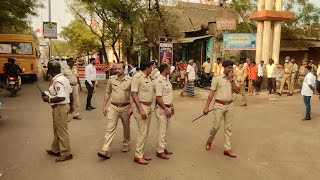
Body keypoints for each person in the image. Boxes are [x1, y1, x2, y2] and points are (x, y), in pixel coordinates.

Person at [203, 60, 240, 158]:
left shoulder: (233, 79)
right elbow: (211, 93)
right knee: (216, 126)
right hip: (219, 105)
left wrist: (231, 80)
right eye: (229, 68)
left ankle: (227, 149)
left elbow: (237, 90)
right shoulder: (217, 78)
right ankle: (210, 140)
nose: (230, 69)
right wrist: (207, 106)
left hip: (230, 105)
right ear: (224, 68)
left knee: (228, 128)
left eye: (231, 68)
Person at [97, 62, 132, 159]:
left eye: (119, 69)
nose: (117, 70)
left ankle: (126, 143)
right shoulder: (111, 79)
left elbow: (133, 95)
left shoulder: (130, 80)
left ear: (124, 70)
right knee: (110, 127)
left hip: (126, 107)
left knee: (126, 126)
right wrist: (103, 106)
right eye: (116, 68)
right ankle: (105, 149)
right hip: (113, 107)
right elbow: (107, 93)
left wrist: (132, 107)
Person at [41, 60, 73, 162]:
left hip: (60, 107)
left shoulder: (58, 81)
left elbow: (62, 97)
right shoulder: (63, 78)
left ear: (50, 70)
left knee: (61, 130)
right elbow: (70, 93)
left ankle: (66, 152)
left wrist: (48, 99)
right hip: (61, 107)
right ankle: (55, 149)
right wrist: (71, 105)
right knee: (56, 129)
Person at [131, 60, 154, 165]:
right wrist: (140, 109)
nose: (152, 69)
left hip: (148, 107)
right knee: (142, 132)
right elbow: (134, 94)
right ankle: (138, 155)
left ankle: (141, 152)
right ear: (147, 68)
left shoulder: (148, 77)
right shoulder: (137, 77)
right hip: (141, 107)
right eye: (151, 67)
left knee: (145, 132)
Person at [154, 63, 174, 160]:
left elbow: (168, 96)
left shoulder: (167, 80)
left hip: (168, 108)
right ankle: (160, 151)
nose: (170, 69)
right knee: (162, 131)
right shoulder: (159, 81)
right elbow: (158, 97)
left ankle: (163, 147)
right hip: (162, 109)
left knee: (166, 131)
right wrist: (166, 109)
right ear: (165, 69)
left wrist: (172, 107)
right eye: (169, 68)